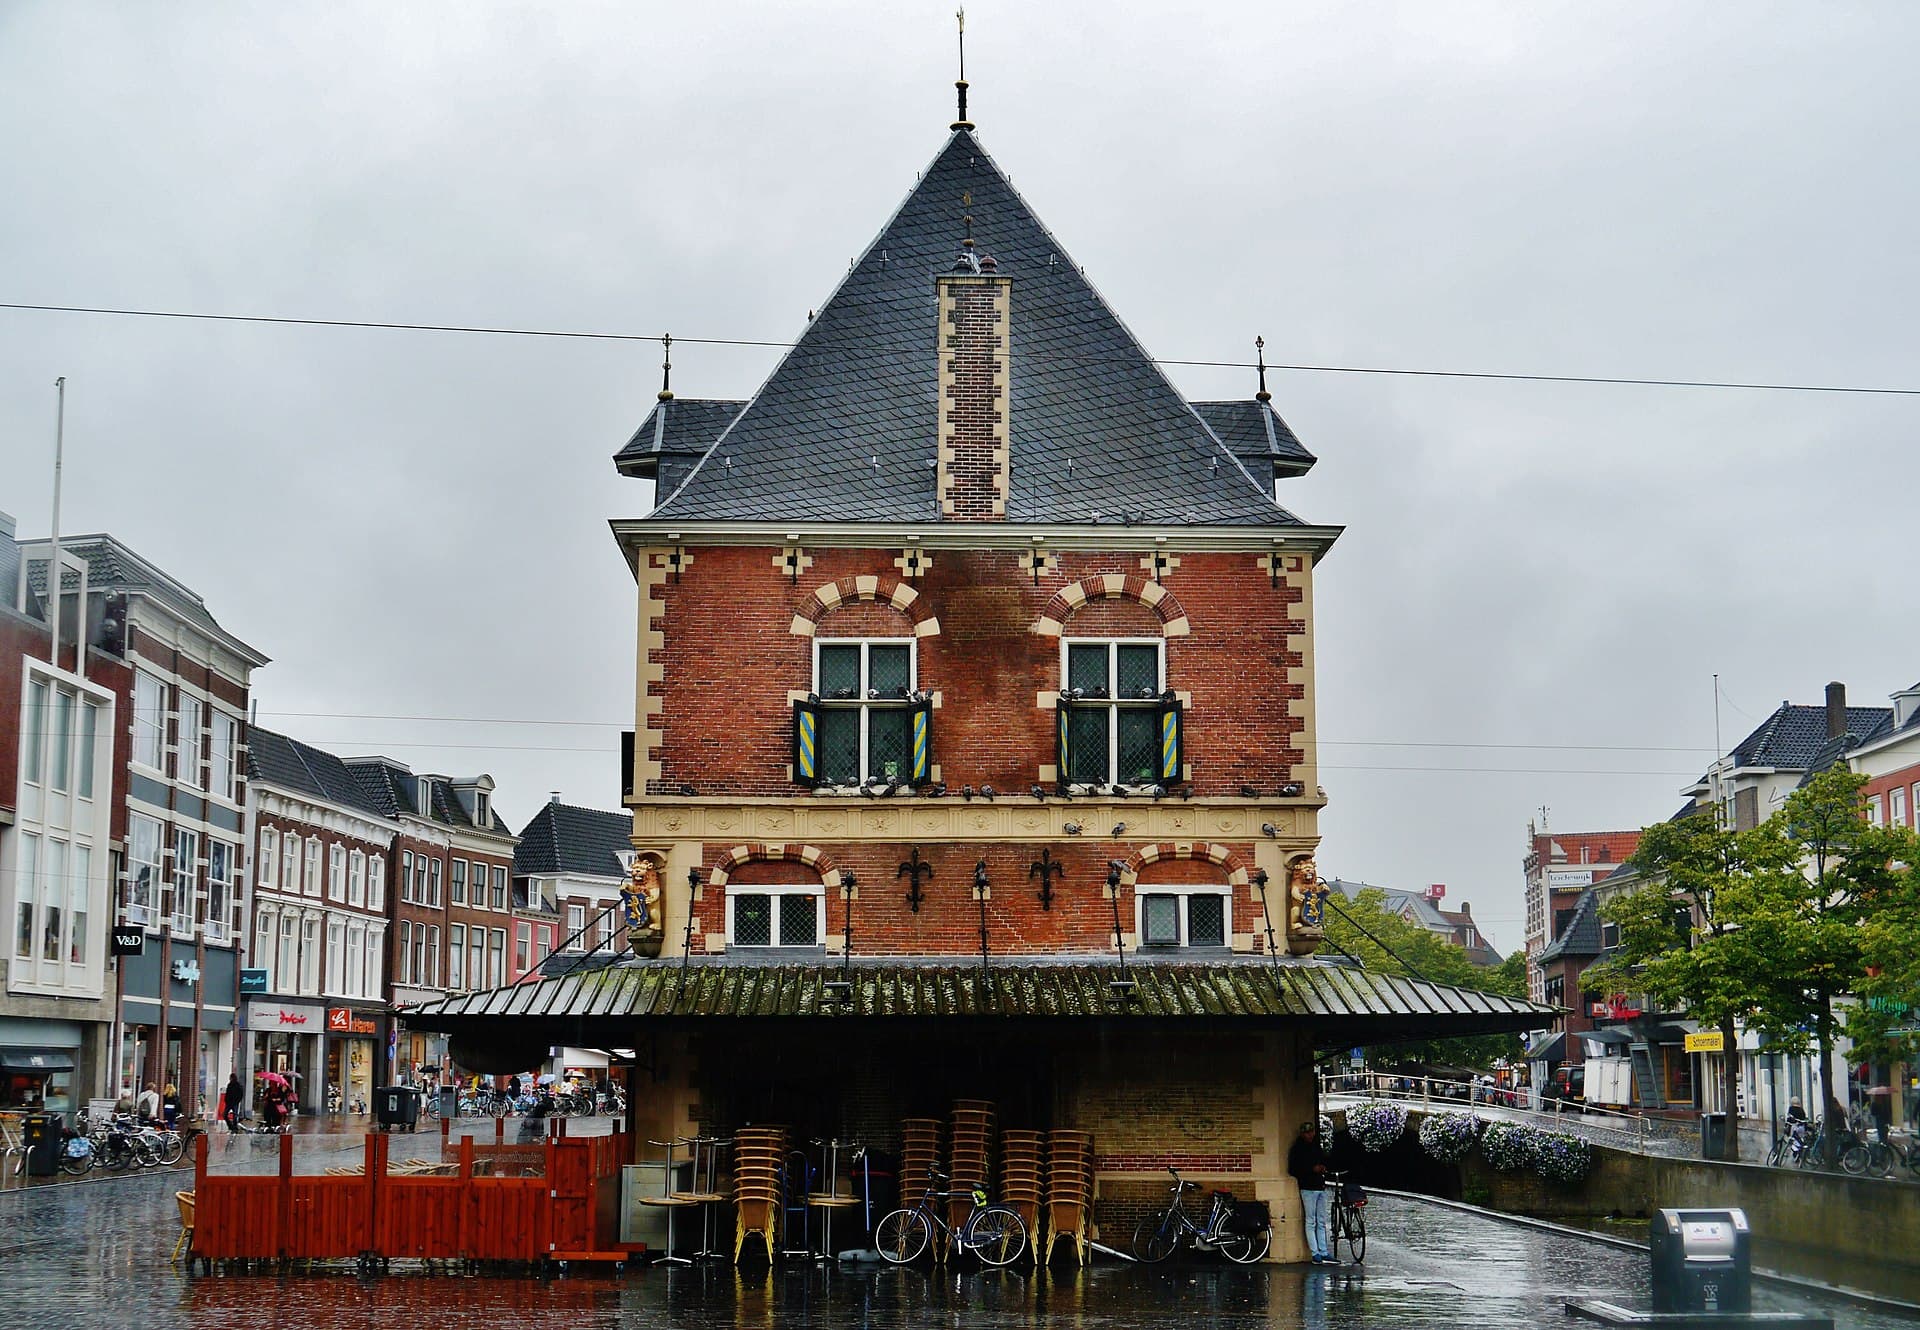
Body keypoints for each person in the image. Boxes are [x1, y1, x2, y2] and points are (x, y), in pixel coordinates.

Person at [1289, 1120, 1333, 1265]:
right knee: (1311, 1220)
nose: (1310, 1135)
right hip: (1307, 1187)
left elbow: (1322, 1160)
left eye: (1311, 1132)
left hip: (1319, 1186)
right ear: (1303, 1133)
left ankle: (1323, 1251)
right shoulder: (1297, 1149)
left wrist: (1322, 1168)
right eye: (1307, 1132)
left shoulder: (1316, 1147)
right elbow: (1293, 1169)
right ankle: (1315, 1253)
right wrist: (1311, 1170)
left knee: (1321, 1220)